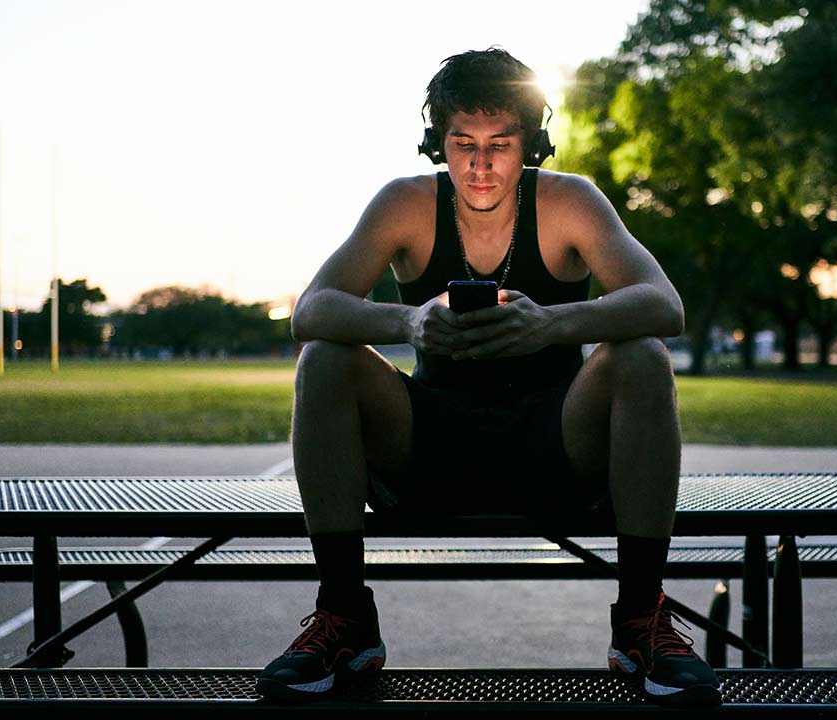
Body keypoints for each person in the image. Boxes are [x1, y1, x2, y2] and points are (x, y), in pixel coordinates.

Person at [256, 47, 721, 708]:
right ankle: (345, 617)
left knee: (641, 355)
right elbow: (312, 310)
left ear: (529, 143)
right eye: (463, 142)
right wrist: (410, 322)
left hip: (557, 447)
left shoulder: (568, 200)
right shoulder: (406, 203)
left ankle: (640, 619)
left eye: (500, 143)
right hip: (432, 446)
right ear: (437, 144)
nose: (480, 163)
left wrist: (554, 325)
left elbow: (663, 305)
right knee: (325, 358)